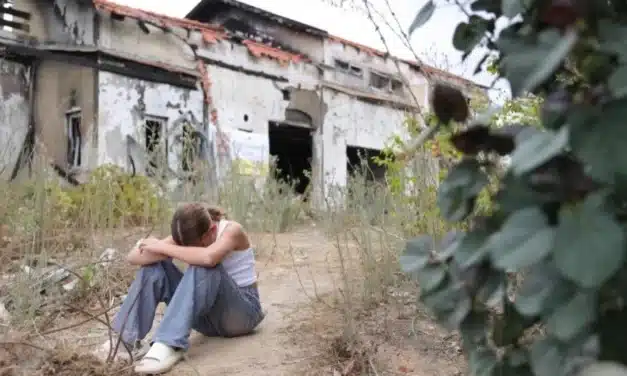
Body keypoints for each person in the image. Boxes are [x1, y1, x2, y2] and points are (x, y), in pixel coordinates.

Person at [95, 203, 265, 375]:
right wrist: (156, 248)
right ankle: (123, 341)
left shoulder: (232, 230)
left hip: (241, 316)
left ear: (212, 230)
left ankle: (169, 343)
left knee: (204, 266)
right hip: (207, 320)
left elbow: (208, 258)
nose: (189, 248)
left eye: (195, 244)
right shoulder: (187, 233)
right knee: (153, 268)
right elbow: (133, 257)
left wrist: (162, 247)